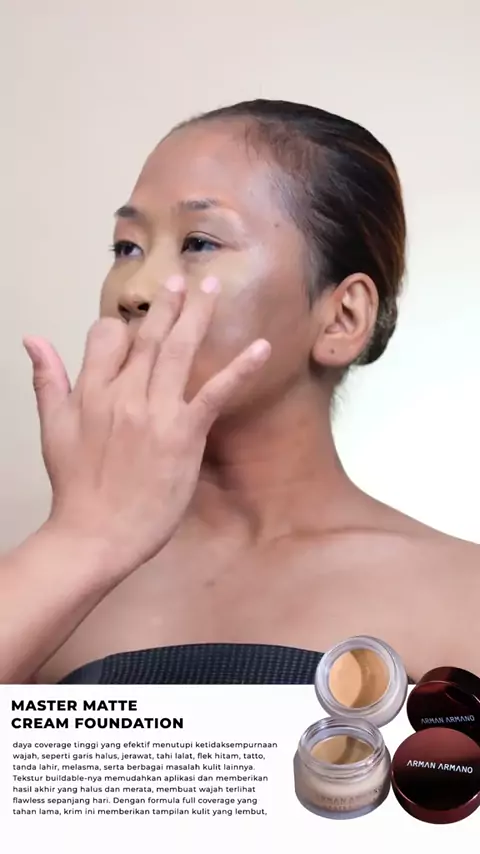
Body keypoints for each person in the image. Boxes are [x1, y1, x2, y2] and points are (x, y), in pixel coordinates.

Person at [5, 98, 480, 685]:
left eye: (199, 243)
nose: (134, 291)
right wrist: (82, 539)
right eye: (127, 248)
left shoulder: (463, 599)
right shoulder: (47, 586)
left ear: (342, 317)